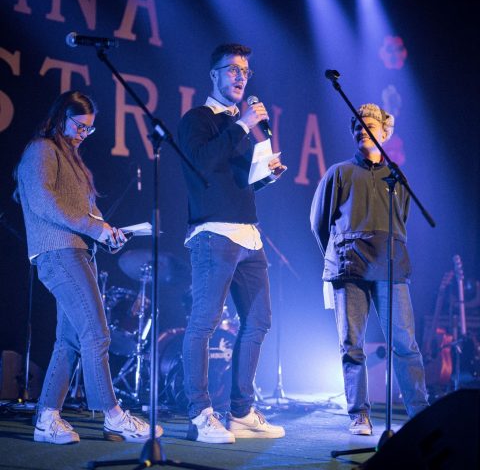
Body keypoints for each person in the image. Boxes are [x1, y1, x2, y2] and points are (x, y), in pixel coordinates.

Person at [14, 90, 162, 444]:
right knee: (96, 333)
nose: (83, 133)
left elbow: (85, 214)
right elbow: (43, 202)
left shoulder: (72, 159)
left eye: (89, 129)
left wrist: (108, 233)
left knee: (69, 339)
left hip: (78, 252)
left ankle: (47, 417)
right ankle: (112, 415)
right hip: (58, 253)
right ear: (60, 117)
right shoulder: (41, 149)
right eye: (79, 126)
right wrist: (96, 228)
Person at [177, 43, 286, 443]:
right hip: (214, 234)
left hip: (249, 235)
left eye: (245, 71)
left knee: (258, 321)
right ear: (214, 75)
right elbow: (202, 162)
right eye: (233, 70)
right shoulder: (198, 119)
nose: (241, 77)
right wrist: (242, 125)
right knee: (204, 323)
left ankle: (240, 412)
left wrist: (265, 175)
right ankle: (200, 413)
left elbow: (238, 182)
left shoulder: (239, 126)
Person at [310, 103, 429, 436]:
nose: (363, 130)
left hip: (391, 266)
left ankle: (419, 412)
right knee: (352, 344)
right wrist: (337, 255)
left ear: (384, 134)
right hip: (349, 267)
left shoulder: (397, 178)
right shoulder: (339, 173)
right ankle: (359, 414)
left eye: (370, 126)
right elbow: (318, 222)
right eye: (358, 127)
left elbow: (402, 220)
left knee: (405, 342)